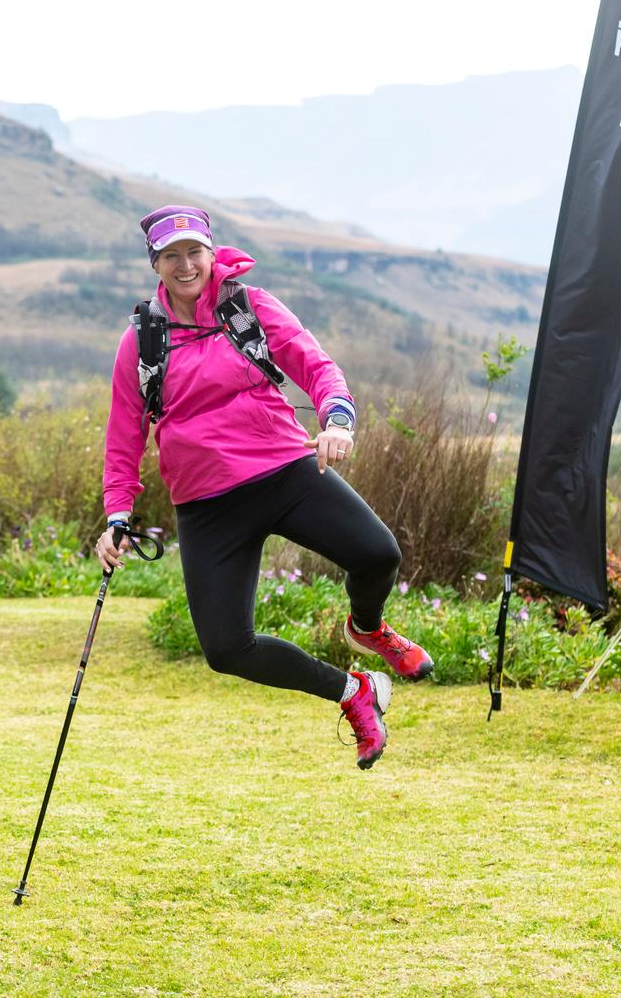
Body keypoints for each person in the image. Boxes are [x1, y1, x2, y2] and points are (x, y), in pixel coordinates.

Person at [96, 206, 434, 769]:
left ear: (211, 254)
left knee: (378, 554)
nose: (185, 265)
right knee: (227, 649)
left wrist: (337, 420)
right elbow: (123, 436)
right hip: (206, 504)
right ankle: (354, 692)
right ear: (155, 264)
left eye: (194, 252)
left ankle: (368, 628)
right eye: (171, 255)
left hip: (283, 470)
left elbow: (317, 366)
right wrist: (117, 517)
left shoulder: (249, 307)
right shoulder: (142, 341)